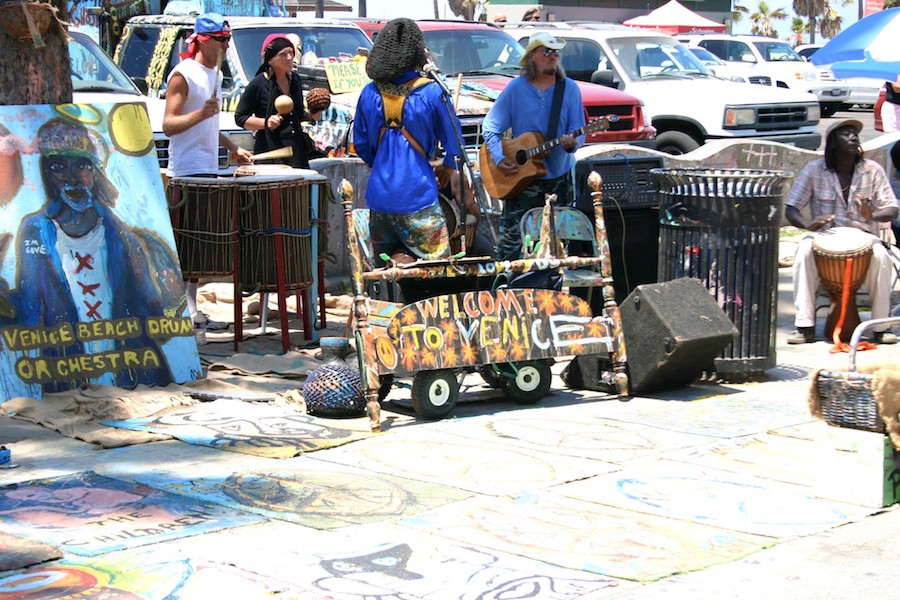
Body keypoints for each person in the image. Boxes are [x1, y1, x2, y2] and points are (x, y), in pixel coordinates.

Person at [0, 118, 195, 393]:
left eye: (81, 165)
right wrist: (5, 303)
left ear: (95, 171)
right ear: (47, 174)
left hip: (134, 374)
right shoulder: (34, 230)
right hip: (66, 374)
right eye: (58, 167)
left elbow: (158, 324)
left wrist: (174, 301)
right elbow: (30, 313)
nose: (71, 177)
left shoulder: (129, 238)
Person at [353, 18, 477, 302]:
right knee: (437, 271)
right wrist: (445, 166)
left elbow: (361, 145)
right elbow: (456, 144)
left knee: (387, 271)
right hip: (418, 199)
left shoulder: (369, 93)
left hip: (380, 201)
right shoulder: (432, 92)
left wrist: (385, 163)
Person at [162, 12, 252, 338]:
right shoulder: (182, 74)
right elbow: (169, 125)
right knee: (187, 247)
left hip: (208, 168)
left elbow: (208, 124)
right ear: (202, 40)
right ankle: (182, 312)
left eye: (228, 40)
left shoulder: (214, 73)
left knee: (200, 249)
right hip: (185, 172)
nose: (226, 46)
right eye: (222, 40)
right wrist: (201, 113)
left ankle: (194, 311)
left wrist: (231, 147)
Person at [784, 118, 899, 345]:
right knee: (804, 252)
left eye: (855, 133)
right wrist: (808, 224)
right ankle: (804, 325)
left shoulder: (872, 170)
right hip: (824, 236)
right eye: (846, 133)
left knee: (882, 257)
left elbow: (892, 208)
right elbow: (791, 207)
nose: (854, 137)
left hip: (864, 236)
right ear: (832, 143)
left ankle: (880, 327)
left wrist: (872, 216)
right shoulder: (814, 170)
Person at [481, 32, 585, 260]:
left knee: (557, 247)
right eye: (546, 51)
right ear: (531, 58)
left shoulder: (569, 89)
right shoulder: (516, 89)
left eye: (555, 52)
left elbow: (580, 130)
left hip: (558, 179)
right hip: (521, 180)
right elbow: (490, 127)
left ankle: (552, 291)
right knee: (511, 246)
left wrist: (571, 144)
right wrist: (499, 158)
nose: (552, 56)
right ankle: (507, 290)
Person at [234, 34, 329, 169]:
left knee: (297, 188)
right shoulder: (258, 84)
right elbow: (240, 118)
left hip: (296, 151)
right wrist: (266, 123)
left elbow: (296, 114)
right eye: (283, 54)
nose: (290, 58)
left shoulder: (295, 80)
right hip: (269, 151)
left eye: (291, 52)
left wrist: (312, 115)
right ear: (270, 59)